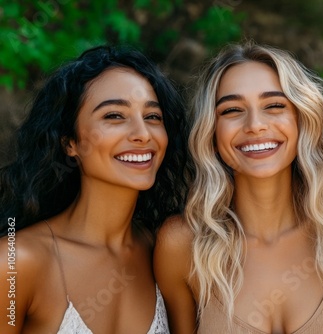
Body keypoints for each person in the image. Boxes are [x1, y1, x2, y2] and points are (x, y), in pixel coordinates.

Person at [154, 42, 323, 334]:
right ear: (211, 130)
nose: (255, 125)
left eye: (274, 106)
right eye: (232, 110)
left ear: (301, 118)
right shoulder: (181, 245)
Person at [0, 45, 190, 333]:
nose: (142, 134)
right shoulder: (15, 263)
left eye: (153, 116)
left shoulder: (163, 252)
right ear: (70, 143)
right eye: (114, 116)